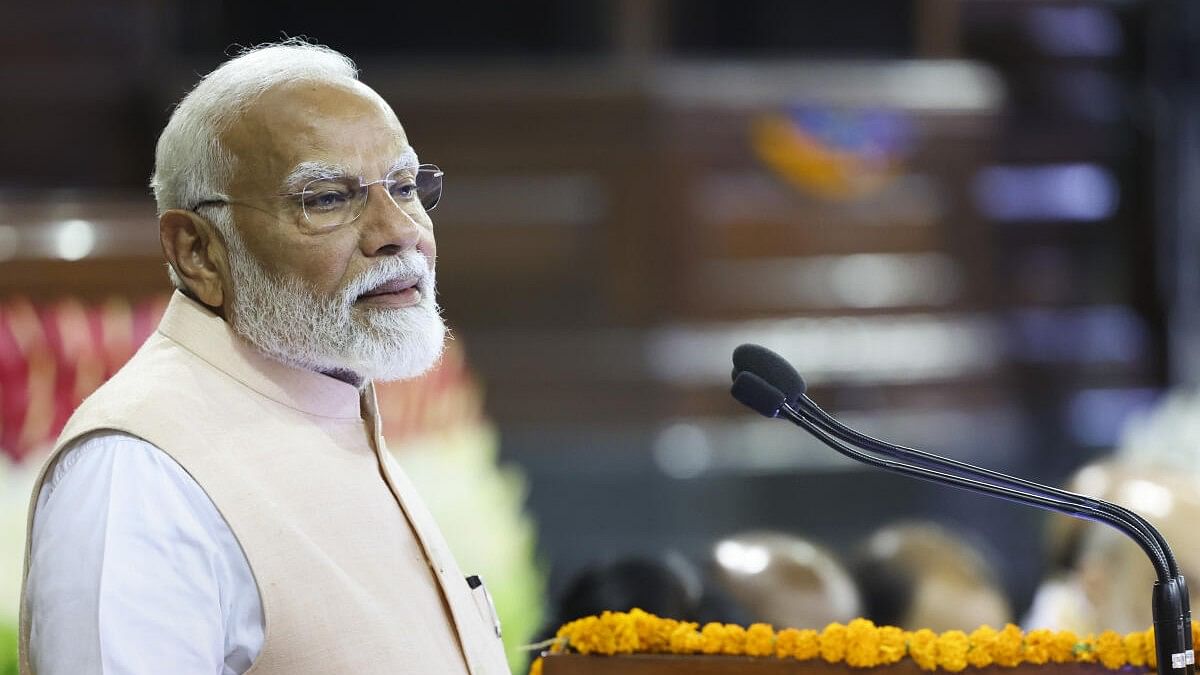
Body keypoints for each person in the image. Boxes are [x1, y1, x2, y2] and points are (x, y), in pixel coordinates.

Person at [18, 40, 510, 675]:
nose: (398, 231)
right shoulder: (138, 472)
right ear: (196, 251)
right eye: (326, 198)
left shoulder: (334, 395)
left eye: (405, 186)